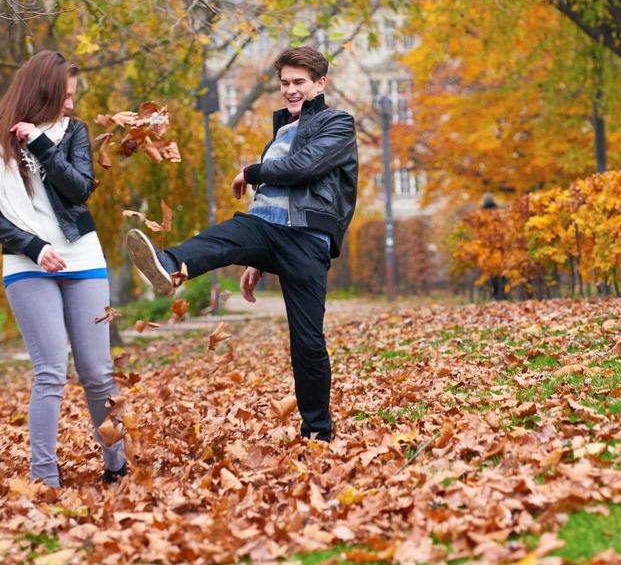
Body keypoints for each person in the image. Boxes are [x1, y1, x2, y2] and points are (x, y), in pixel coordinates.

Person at [127, 46, 358, 442]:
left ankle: (317, 431)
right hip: (267, 230)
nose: (290, 90)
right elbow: (271, 196)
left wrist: (250, 171)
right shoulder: (281, 131)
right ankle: (169, 264)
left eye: (299, 82)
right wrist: (257, 260)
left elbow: (304, 169)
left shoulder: (337, 123)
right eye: (284, 83)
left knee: (307, 341)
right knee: (226, 235)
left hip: (306, 236)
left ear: (320, 84)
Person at [0, 50, 126, 488]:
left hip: (83, 258)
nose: (71, 104)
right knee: (51, 370)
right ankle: (44, 478)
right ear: (43, 91)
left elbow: (79, 191)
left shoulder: (73, 131)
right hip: (25, 262)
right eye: (65, 95)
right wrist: (34, 247)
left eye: (73, 96)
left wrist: (39, 141)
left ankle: (116, 464)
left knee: (96, 372)